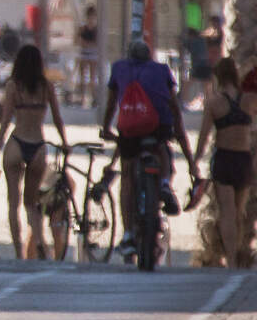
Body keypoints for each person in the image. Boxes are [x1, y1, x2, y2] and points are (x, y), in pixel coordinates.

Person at [100, 39, 198, 259]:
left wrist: (106, 127)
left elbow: (111, 103)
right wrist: (180, 136)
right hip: (158, 125)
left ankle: (126, 235)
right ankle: (163, 183)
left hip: (130, 128)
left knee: (126, 176)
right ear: (149, 56)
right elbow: (173, 104)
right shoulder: (161, 70)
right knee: (161, 146)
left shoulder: (119, 68)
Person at [0, 44, 70, 260]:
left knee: (13, 203)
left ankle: (18, 253)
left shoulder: (14, 86)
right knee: (31, 203)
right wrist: (65, 142)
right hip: (38, 146)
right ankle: (40, 242)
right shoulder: (46, 87)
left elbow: (5, 122)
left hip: (16, 143)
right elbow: (58, 119)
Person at [192, 57, 252, 267]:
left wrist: (195, 161)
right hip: (243, 160)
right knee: (238, 211)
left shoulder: (214, 102)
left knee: (226, 211)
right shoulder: (248, 100)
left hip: (224, 159)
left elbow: (204, 136)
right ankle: (237, 254)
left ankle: (232, 261)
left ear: (218, 76)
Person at [76, 6, 99, 107]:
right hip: (84, 53)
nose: (91, 19)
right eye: (89, 17)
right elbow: (78, 40)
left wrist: (88, 43)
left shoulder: (96, 29)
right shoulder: (82, 28)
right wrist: (86, 43)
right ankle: (82, 97)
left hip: (93, 54)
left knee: (92, 77)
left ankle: (93, 97)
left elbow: (98, 42)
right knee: (82, 77)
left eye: (92, 17)